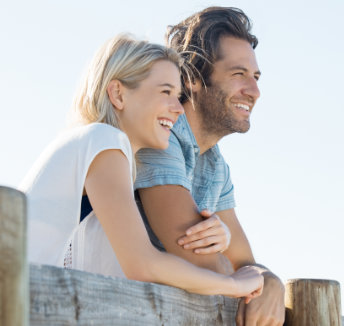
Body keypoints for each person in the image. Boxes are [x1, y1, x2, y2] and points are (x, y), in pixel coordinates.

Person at [19, 34, 264, 301]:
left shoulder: (112, 155)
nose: (178, 109)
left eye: (178, 95)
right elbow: (143, 264)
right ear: (118, 94)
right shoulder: (103, 141)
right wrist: (234, 285)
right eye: (166, 92)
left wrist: (222, 237)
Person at [134, 7, 286, 325]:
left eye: (255, 77)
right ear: (193, 78)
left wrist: (270, 281)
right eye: (238, 74)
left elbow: (244, 262)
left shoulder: (215, 165)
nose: (254, 91)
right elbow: (193, 257)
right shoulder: (161, 134)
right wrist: (248, 276)